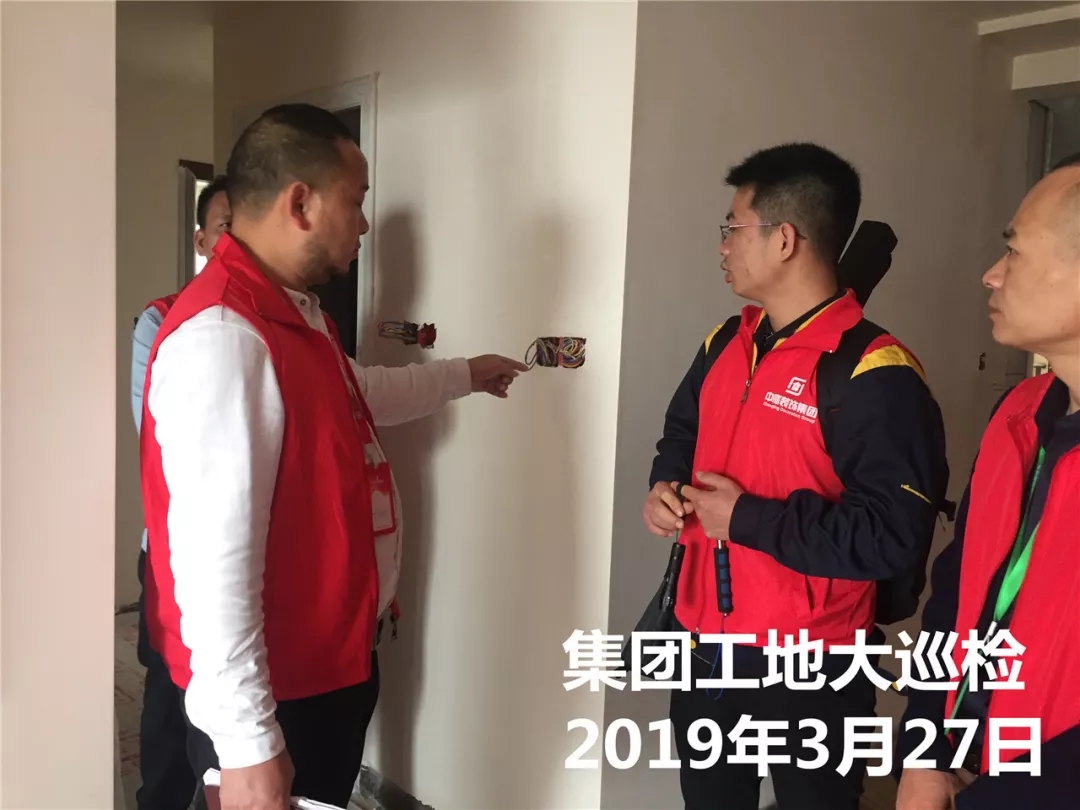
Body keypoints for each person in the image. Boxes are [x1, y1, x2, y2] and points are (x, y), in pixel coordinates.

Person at [138, 102, 527, 810]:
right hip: (277, 698)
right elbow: (213, 566)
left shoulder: (293, 315)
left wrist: (465, 374)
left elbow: (362, 392)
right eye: (356, 200)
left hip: (325, 670)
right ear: (301, 203)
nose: (364, 223)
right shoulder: (225, 337)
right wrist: (249, 743)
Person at [641, 142, 949, 810]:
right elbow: (681, 434)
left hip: (812, 667)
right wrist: (664, 487)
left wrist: (745, 519)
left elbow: (892, 536)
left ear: (784, 240)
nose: (722, 244)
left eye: (733, 227)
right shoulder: (724, 342)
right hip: (702, 647)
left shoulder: (874, 371)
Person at [895, 153, 1080, 810]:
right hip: (963, 766)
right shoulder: (1018, 414)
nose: (992, 274)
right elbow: (955, 596)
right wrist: (922, 752)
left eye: (1015, 251)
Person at [130, 174, 230, 810]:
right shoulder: (162, 319)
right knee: (170, 696)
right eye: (225, 227)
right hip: (172, 551)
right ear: (200, 239)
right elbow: (160, 439)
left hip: (246, 563)